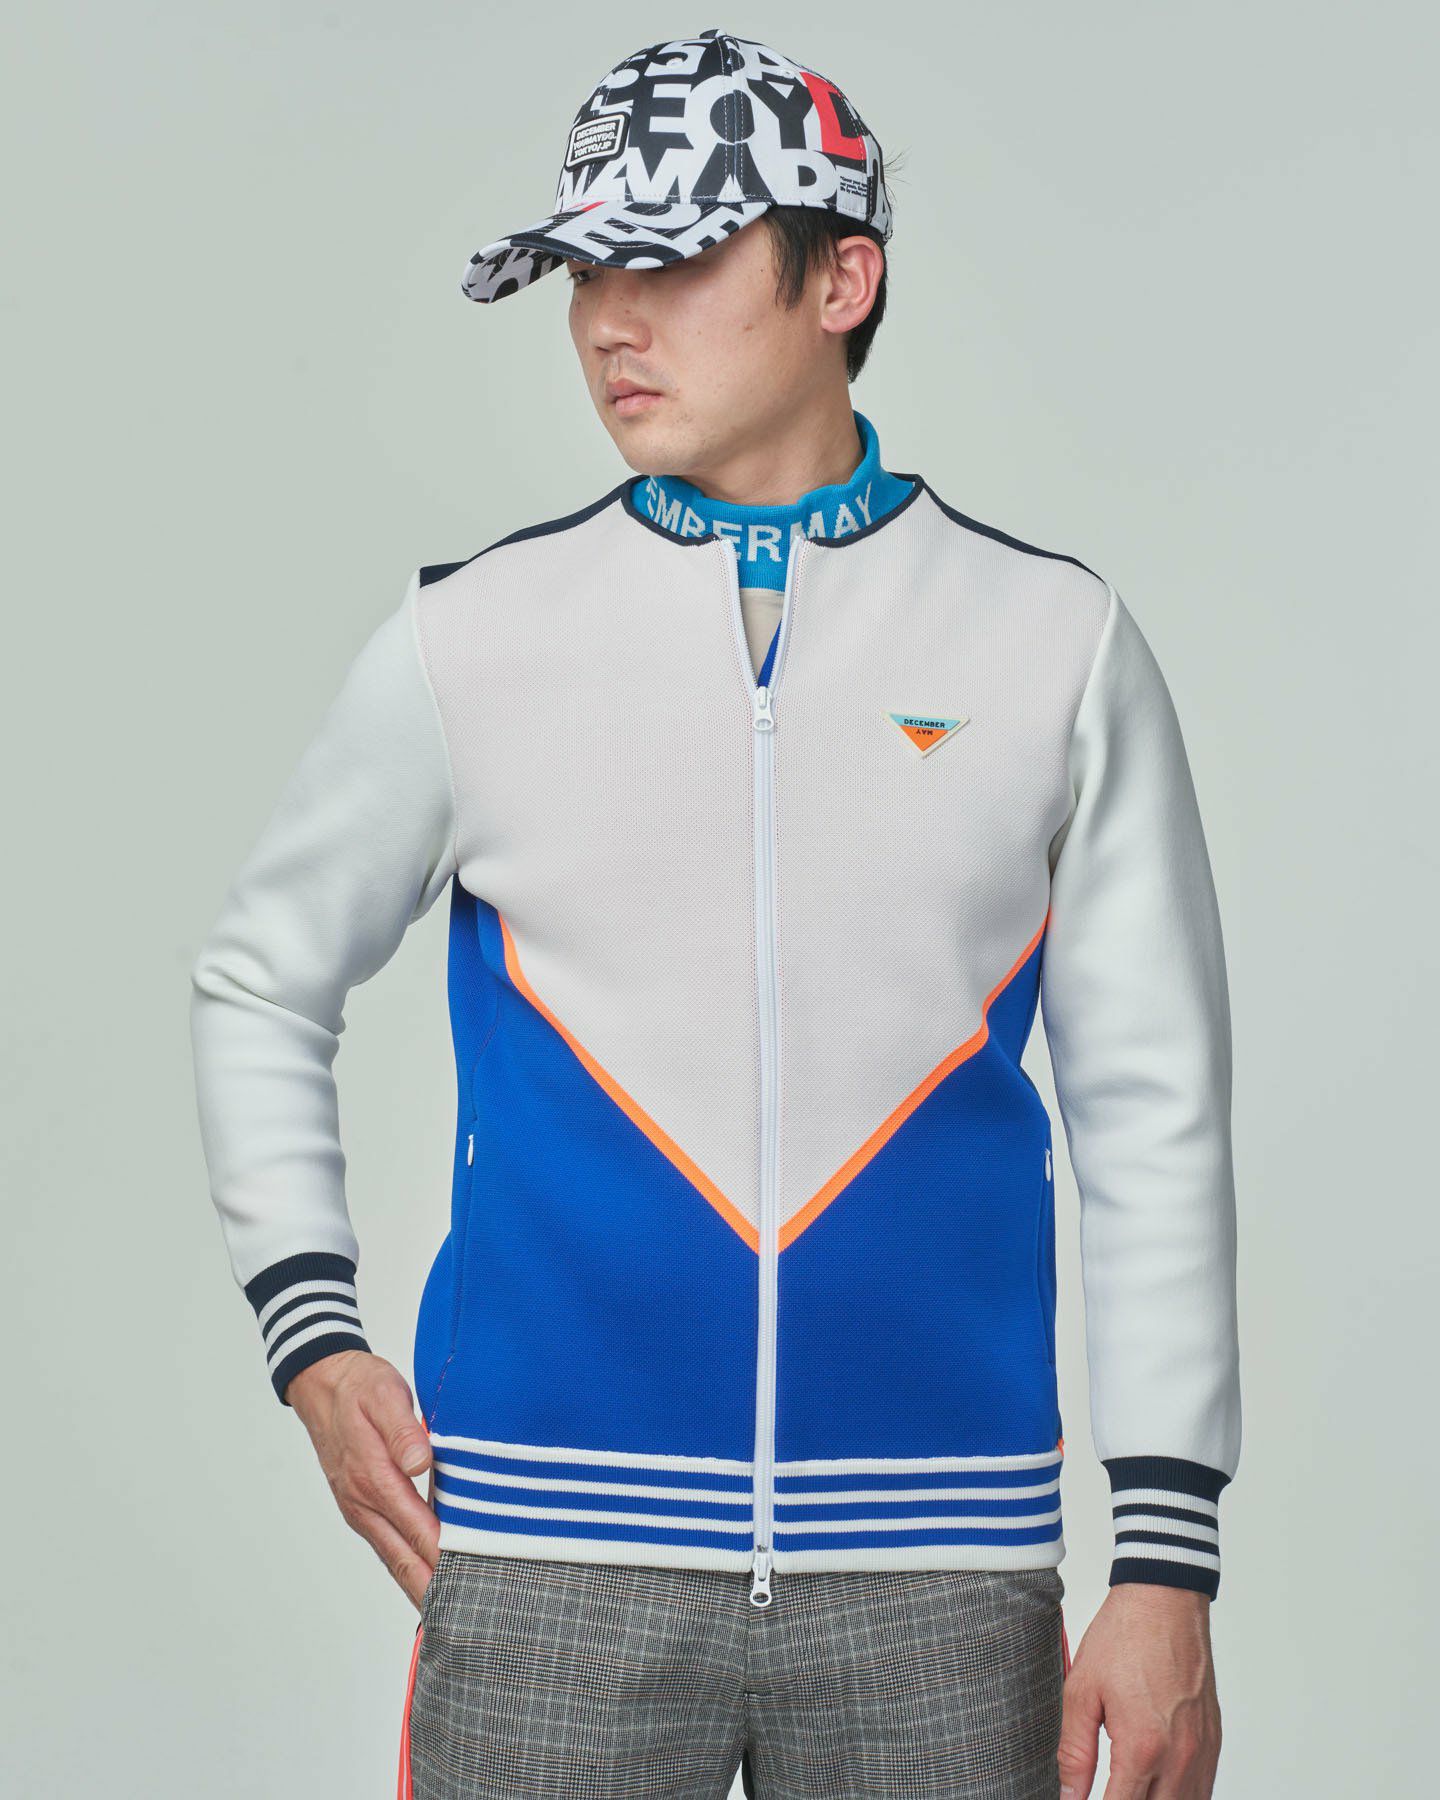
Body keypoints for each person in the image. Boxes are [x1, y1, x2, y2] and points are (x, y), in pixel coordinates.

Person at [189, 27, 1241, 1800]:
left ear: (843, 279)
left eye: (671, 262)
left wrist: (1167, 1562)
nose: (611, 320)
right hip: (545, 1556)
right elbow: (257, 980)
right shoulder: (474, 640)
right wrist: (314, 1334)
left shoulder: (1053, 647)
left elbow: (1156, 1110)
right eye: (585, 271)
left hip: (942, 1570)